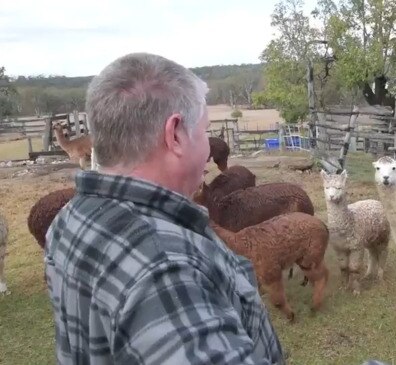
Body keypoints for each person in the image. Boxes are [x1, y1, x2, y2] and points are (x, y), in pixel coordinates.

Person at [44, 52, 284, 364]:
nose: (208, 148)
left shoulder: (69, 221)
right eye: (203, 131)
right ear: (175, 135)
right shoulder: (167, 267)